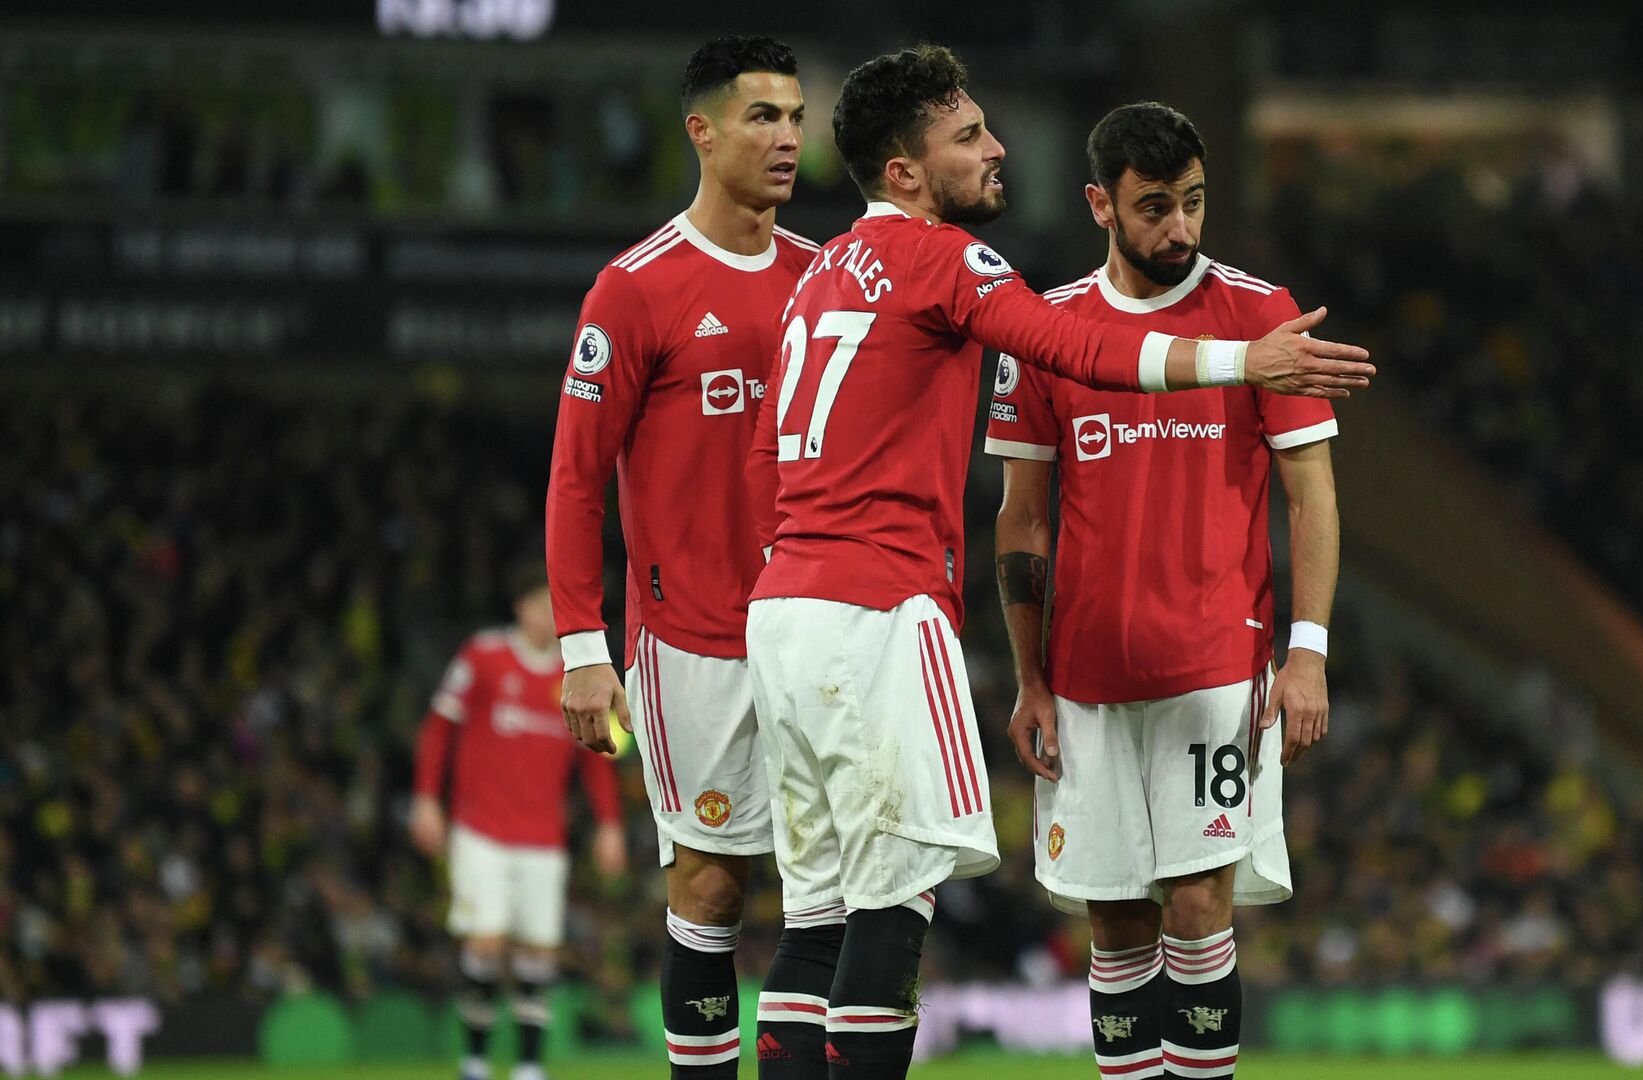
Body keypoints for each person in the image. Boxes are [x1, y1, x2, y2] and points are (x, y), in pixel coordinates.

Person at [745, 45, 1373, 1080]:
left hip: (786, 606)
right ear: (905, 171)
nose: (996, 151)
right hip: (879, 610)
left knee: (815, 910)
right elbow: (1074, 353)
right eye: (968, 137)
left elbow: (769, 450)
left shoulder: (816, 272)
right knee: (895, 902)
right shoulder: (949, 262)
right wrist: (1238, 363)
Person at [988, 101, 1339, 1080]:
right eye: (1154, 209)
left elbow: (1313, 499)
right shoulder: (1049, 330)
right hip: (1087, 675)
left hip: (1215, 667)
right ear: (1101, 204)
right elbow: (1022, 519)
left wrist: (1305, 651)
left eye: (1192, 203)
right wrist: (1030, 678)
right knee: (1115, 920)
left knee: (1196, 904)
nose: (1179, 229)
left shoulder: (1261, 316)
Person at [544, 35, 822, 1080]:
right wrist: (582, 643)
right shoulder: (636, 289)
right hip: (693, 638)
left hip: (816, 623)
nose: (789, 136)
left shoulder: (824, 278)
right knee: (710, 886)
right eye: (764, 116)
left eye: (797, 116)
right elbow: (576, 477)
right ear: (700, 132)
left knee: (831, 886)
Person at [411, 562, 627, 1080]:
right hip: (480, 829)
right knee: (485, 942)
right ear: (520, 607)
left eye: (557, 605)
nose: (550, 615)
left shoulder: (575, 677)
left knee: (539, 951)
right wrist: (425, 799)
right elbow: (439, 728)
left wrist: (610, 824)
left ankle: (529, 1067)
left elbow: (596, 758)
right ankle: (475, 1060)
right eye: (541, 603)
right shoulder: (483, 656)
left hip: (543, 837)